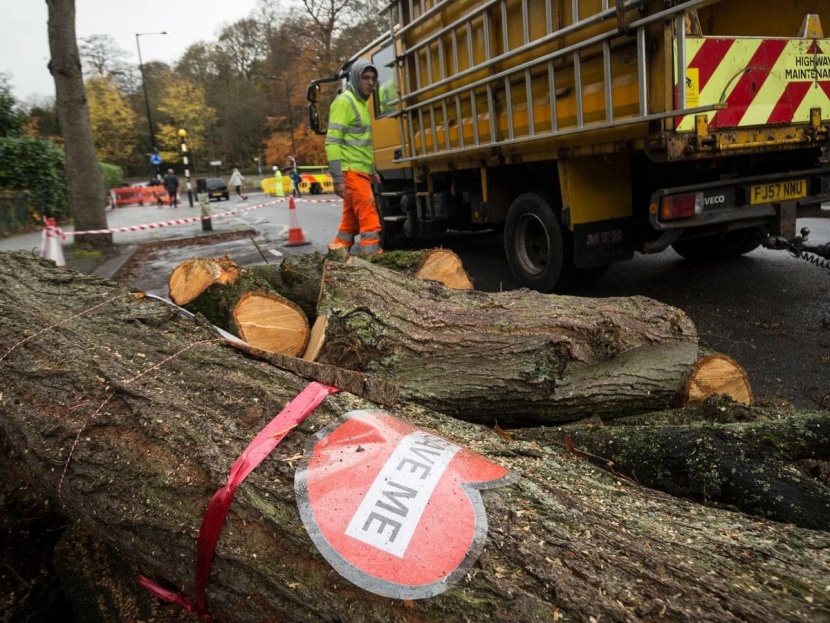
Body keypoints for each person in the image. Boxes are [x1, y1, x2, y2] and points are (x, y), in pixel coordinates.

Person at [325, 59, 383, 255]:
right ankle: (375, 262)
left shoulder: (360, 105)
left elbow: (362, 145)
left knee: (349, 224)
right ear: (355, 79)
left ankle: (336, 258)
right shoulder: (344, 102)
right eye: (365, 78)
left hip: (359, 171)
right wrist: (337, 178)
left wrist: (372, 170)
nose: (370, 82)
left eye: (373, 78)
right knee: (369, 218)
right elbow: (332, 142)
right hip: (351, 172)